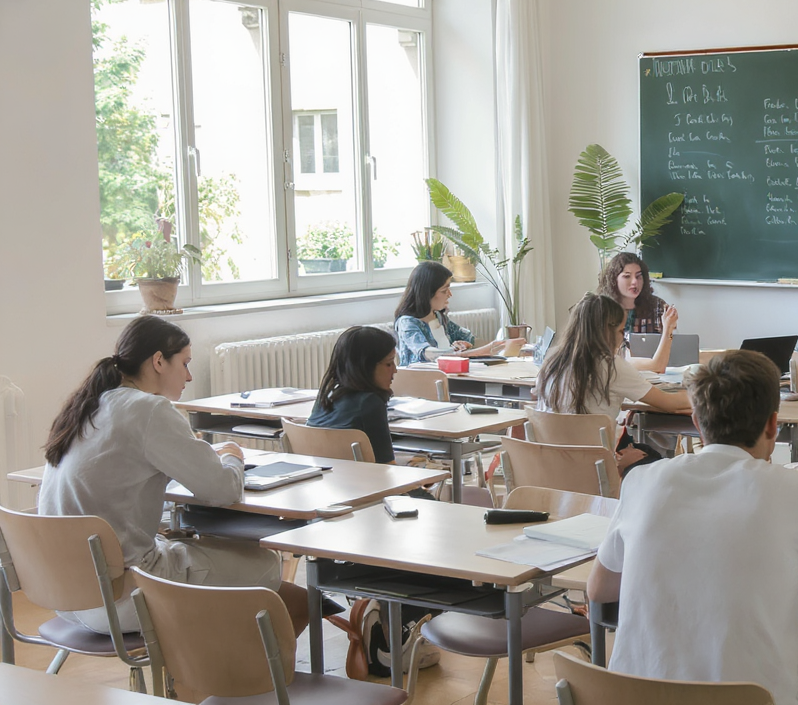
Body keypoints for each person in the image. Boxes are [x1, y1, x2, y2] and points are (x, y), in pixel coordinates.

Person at [587, 350, 798, 705]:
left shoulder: (642, 480)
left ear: (696, 422)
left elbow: (599, 589)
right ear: (772, 424)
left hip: (637, 700)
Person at [38, 315, 309, 635]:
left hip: (65, 595)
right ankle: (220, 670)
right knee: (264, 565)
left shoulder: (88, 405)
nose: (190, 376)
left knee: (265, 589)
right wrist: (234, 456)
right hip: (120, 597)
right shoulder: (149, 410)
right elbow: (222, 490)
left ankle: (201, 670)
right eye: (185, 363)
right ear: (158, 362)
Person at [536, 293, 691, 474]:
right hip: (595, 468)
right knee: (659, 464)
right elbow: (669, 403)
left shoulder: (551, 360)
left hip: (552, 469)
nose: (622, 338)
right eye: (620, 331)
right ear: (606, 331)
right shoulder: (610, 366)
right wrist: (704, 394)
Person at [307, 326, 398, 464]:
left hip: (326, 482)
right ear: (366, 366)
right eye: (389, 363)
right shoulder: (370, 403)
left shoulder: (325, 396)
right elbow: (387, 467)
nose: (395, 370)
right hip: (369, 483)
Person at [394, 261, 504, 365]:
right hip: (421, 381)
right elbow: (426, 353)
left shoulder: (439, 318)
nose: (449, 294)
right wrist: (464, 353)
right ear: (426, 293)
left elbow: (471, 339)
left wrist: (502, 345)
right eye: (444, 291)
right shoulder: (407, 323)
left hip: (447, 376)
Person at [597, 252, 678, 373]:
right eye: (627, 276)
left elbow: (669, 354)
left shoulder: (658, 307)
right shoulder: (602, 309)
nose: (635, 282)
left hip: (653, 375)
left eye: (639, 276)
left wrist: (669, 328)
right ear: (614, 279)